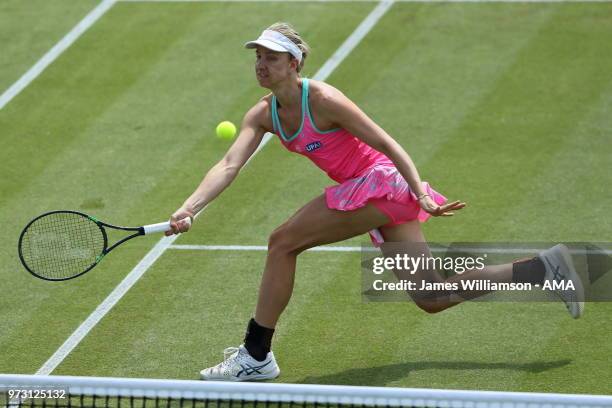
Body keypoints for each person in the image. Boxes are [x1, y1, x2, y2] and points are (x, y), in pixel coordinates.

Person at [166, 23, 585, 382]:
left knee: (282, 242)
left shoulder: (324, 100)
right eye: (258, 56)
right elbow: (228, 165)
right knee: (432, 297)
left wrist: (419, 190)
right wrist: (189, 207)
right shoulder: (262, 114)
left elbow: (386, 142)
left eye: (271, 57)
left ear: (294, 63)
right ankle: (543, 268)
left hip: (382, 186)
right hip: (380, 196)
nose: (261, 64)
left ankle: (256, 354)